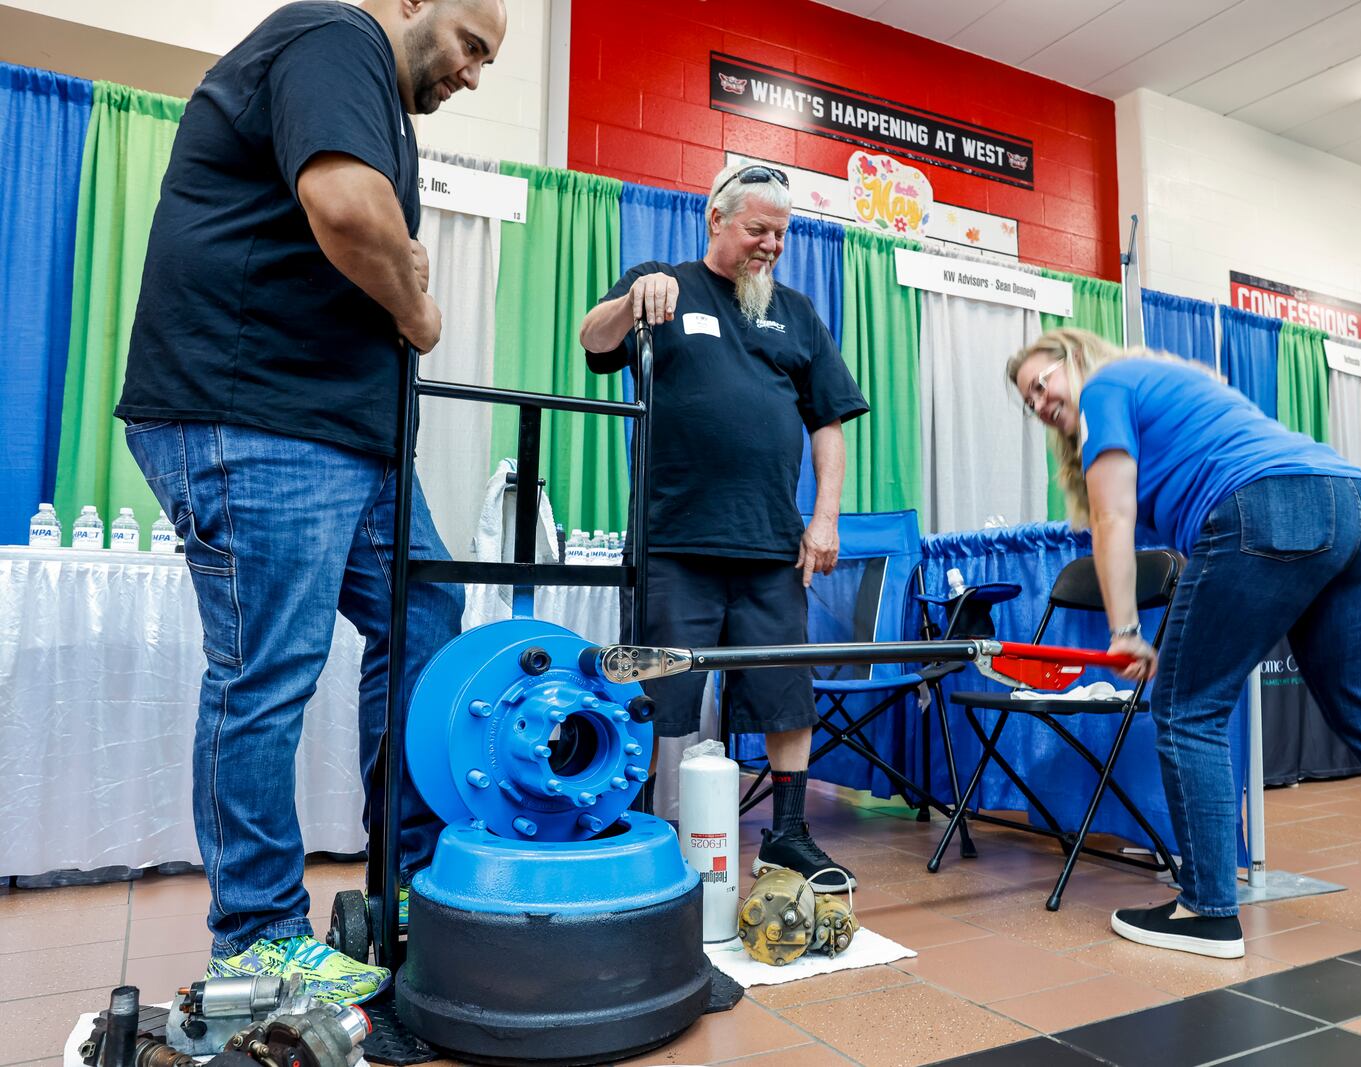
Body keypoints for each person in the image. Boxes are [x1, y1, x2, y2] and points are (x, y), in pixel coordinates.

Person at [115, 0, 507, 1003]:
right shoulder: (333, 36)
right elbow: (345, 210)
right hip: (255, 412)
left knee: (426, 618)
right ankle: (254, 939)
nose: (475, 74)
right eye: (472, 45)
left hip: (348, 434)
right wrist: (417, 306)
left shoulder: (377, 101)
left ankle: (408, 880)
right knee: (269, 668)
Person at [1008, 328, 1361, 970]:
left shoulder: (1108, 386)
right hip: (1350, 503)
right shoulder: (1173, 391)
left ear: (1078, 360)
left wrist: (1125, 631)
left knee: (1186, 710)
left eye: (1043, 381)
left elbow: (1114, 519)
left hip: (1266, 504)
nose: (1039, 400)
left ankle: (1205, 911)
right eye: (1027, 399)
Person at [578, 163, 869, 892]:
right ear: (716, 220)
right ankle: (640, 830)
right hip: (675, 540)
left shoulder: (797, 313)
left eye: (781, 233)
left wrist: (825, 517)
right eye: (756, 229)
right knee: (656, 695)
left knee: (783, 692)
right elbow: (592, 338)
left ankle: (789, 834)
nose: (771, 244)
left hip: (772, 543)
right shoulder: (664, 282)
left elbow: (828, 423)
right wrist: (632, 302)